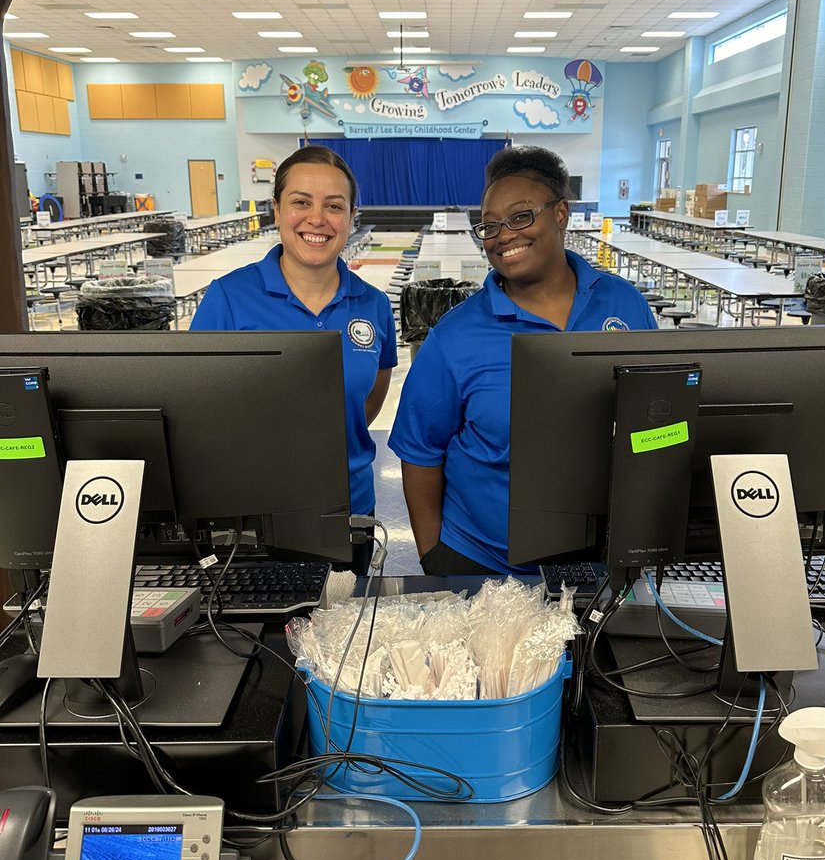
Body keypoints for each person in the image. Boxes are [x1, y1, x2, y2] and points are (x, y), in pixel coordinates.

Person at [388, 145, 657, 577]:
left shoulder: (624, 304)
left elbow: (656, 423)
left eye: (521, 216)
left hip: (601, 560)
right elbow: (420, 451)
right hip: (484, 565)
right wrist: (435, 556)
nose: (504, 235)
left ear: (561, 213)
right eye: (490, 225)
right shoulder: (456, 336)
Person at [190, 145, 397, 569]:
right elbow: (200, 408)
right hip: (254, 514)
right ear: (277, 210)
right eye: (301, 202)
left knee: (346, 629)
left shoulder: (373, 305)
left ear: (352, 217)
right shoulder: (228, 298)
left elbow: (371, 397)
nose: (317, 219)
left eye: (334, 206)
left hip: (350, 504)